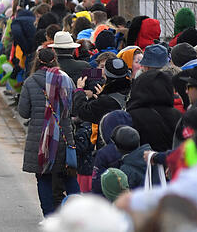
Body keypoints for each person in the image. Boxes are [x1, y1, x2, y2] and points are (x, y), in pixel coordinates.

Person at [18, 48, 79, 216]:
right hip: (64, 136)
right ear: (55, 60)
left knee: (44, 177)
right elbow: (73, 109)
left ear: (37, 61)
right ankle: (79, 215)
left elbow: (23, 112)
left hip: (41, 140)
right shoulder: (66, 80)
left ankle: (49, 217)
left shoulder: (30, 82)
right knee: (69, 175)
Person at [72, 58, 132, 125]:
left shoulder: (105, 101)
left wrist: (79, 90)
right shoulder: (135, 89)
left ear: (106, 74)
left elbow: (83, 112)